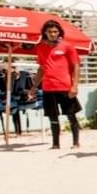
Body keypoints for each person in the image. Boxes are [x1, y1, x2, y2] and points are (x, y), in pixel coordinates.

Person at [33, 20, 82, 150]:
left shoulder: (67, 46)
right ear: (45, 33)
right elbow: (41, 68)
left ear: (59, 32)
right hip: (48, 88)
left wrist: (75, 85)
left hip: (65, 87)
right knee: (52, 117)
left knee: (71, 115)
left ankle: (76, 142)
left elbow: (76, 66)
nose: (53, 34)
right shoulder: (40, 48)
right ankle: (55, 144)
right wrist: (33, 87)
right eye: (50, 32)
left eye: (55, 31)